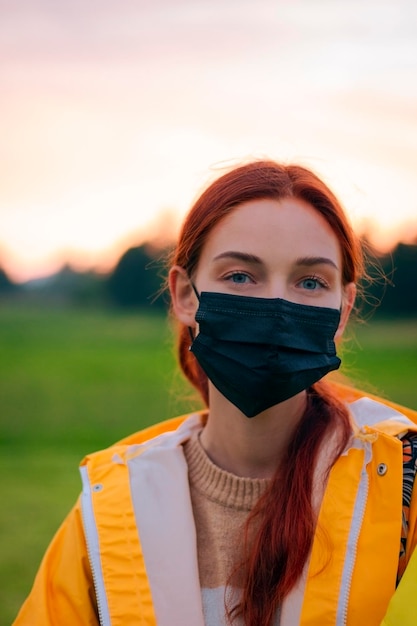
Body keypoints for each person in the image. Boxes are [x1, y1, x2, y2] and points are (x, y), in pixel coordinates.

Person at [13, 160, 417, 626]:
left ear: (342, 310)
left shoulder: (404, 487)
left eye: (310, 282)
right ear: (186, 295)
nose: (275, 307)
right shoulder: (112, 510)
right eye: (241, 276)